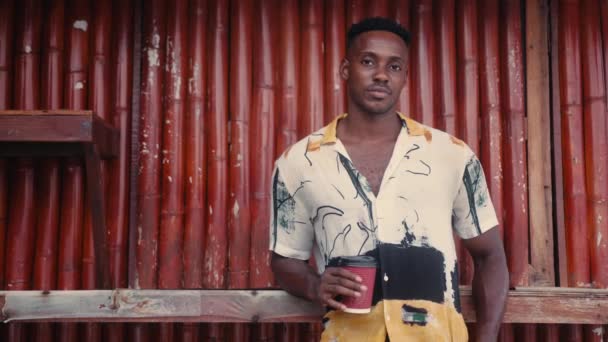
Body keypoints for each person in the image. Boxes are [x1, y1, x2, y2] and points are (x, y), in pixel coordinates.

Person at [269, 17, 508, 341]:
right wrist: (314, 285)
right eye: (368, 61)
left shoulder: (451, 155)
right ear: (345, 69)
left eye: (394, 67)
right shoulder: (299, 162)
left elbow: (490, 255)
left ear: (405, 77)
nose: (381, 75)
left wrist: (487, 337)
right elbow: (285, 259)